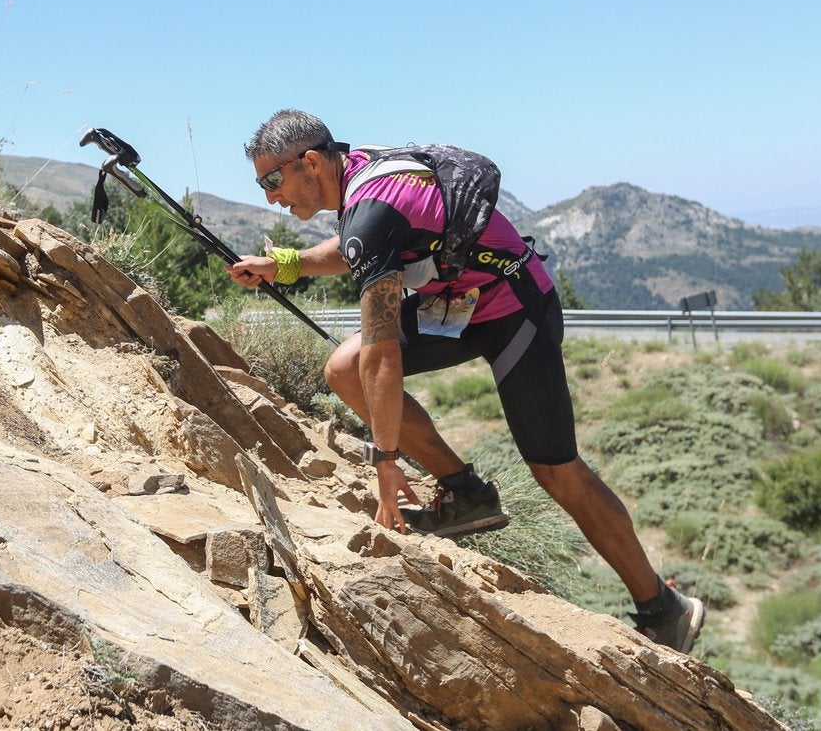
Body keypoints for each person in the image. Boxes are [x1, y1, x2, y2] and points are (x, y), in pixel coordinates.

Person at [227, 108, 704, 654]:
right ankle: (466, 493)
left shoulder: (370, 207)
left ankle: (664, 609)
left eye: (272, 180)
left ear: (310, 161)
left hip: (515, 307)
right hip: (457, 303)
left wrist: (385, 462)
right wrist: (284, 265)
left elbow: (382, 352)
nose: (270, 197)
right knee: (342, 368)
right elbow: (360, 250)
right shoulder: (360, 172)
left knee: (556, 471)